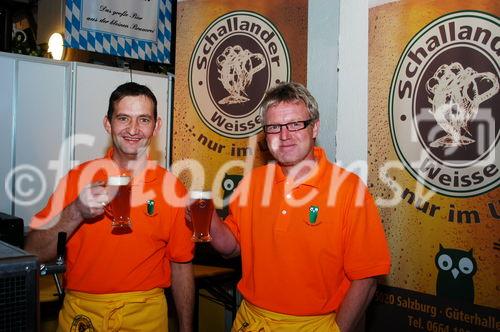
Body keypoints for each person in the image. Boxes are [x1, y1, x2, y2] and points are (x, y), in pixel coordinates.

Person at [209, 82, 391, 331]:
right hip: (251, 321)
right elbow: (231, 248)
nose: (284, 136)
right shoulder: (253, 182)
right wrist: (208, 218)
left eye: (295, 124)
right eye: (274, 127)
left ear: (314, 126)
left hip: (315, 325)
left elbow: (367, 278)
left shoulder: (349, 189)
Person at [25, 82, 194, 332]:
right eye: (123, 118)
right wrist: (75, 212)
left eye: (144, 120)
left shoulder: (173, 188)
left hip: (146, 316)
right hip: (83, 316)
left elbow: (181, 268)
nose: (133, 129)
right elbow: (33, 252)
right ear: (108, 123)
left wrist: (186, 329)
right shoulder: (77, 179)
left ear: (156, 126)